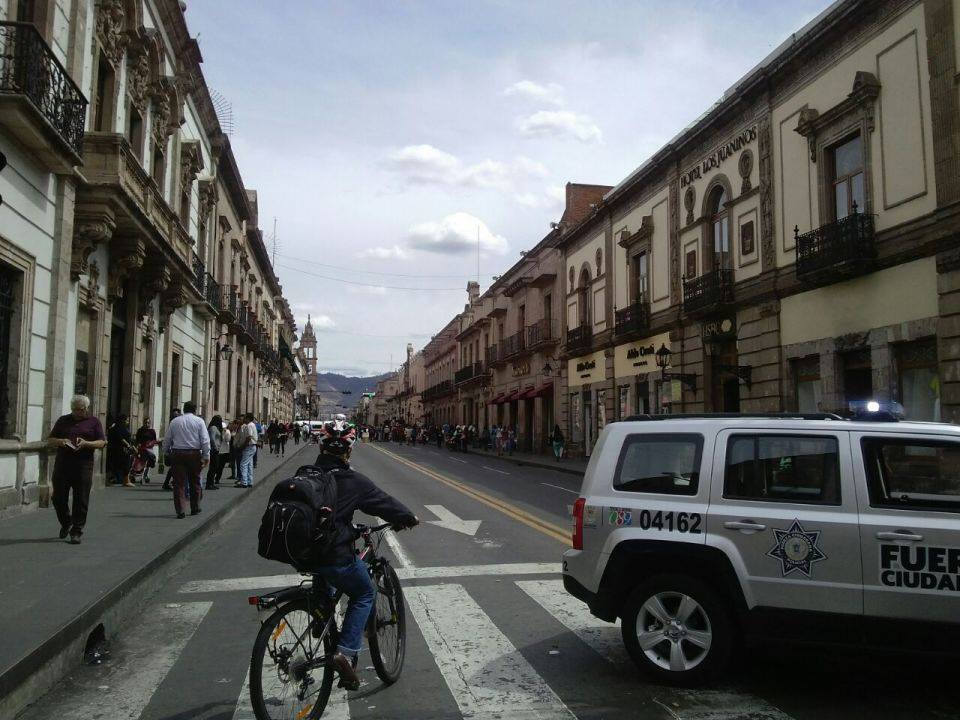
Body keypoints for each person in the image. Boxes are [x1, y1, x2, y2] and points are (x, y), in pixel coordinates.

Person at [310, 418, 418, 690]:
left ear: (321, 447)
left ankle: (320, 615)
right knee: (364, 593)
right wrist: (408, 517)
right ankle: (344, 653)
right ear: (349, 450)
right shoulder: (352, 479)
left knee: (322, 571)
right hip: (333, 554)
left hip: (302, 552)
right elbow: (384, 504)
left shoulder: (306, 473)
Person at [47, 395, 107, 544]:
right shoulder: (63, 420)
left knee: (81, 499)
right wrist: (61, 441)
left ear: (86, 408)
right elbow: (50, 439)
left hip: (83, 465)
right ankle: (67, 521)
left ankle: (76, 531)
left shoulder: (94, 422)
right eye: (74, 409)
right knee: (58, 497)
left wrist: (87, 443)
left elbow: (102, 442)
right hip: (63, 464)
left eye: (80, 410)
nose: (77, 412)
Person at [163, 401, 210, 519]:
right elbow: (205, 440)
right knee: (195, 481)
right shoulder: (199, 421)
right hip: (194, 454)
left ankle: (180, 510)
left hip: (177, 453)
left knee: (179, 483)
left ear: (184, 409)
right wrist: (206, 456)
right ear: (195, 410)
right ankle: (195, 507)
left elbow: (167, 439)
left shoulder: (175, 421)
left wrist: (166, 452)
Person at [107, 414, 134, 487]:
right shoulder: (117, 428)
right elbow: (121, 438)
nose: (128, 422)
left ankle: (125, 480)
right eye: (127, 420)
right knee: (124, 464)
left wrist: (132, 446)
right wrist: (128, 445)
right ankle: (125, 480)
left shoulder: (124, 428)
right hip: (120, 449)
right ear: (122, 420)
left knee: (126, 464)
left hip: (124, 449)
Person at [235, 412, 258, 488]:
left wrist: (243, 446)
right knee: (249, 464)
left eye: (245, 417)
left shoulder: (249, 426)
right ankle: (249, 481)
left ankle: (244, 482)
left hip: (249, 446)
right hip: (253, 446)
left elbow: (249, 437)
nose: (243, 419)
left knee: (243, 464)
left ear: (248, 418)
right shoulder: (253, 425)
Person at [161, 408, 182, 491]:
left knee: (174, 467)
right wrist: (166, 449)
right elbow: (168, 437)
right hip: (174, 449)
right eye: (173, 415)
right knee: (174, 467)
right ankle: (169, 483)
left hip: (178, 448)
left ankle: (169, 483)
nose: (175, 416)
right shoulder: (172, 424)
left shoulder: (180, 423)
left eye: (176, 415)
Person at [205, 415, 225, 491]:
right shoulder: (213, 428)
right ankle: (209, 483)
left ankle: (211, 483)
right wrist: (215, 447)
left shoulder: (216, 428)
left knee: (215, 466)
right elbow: (212, 438)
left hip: (216, 449)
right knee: (213, 467)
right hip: (213, 449)